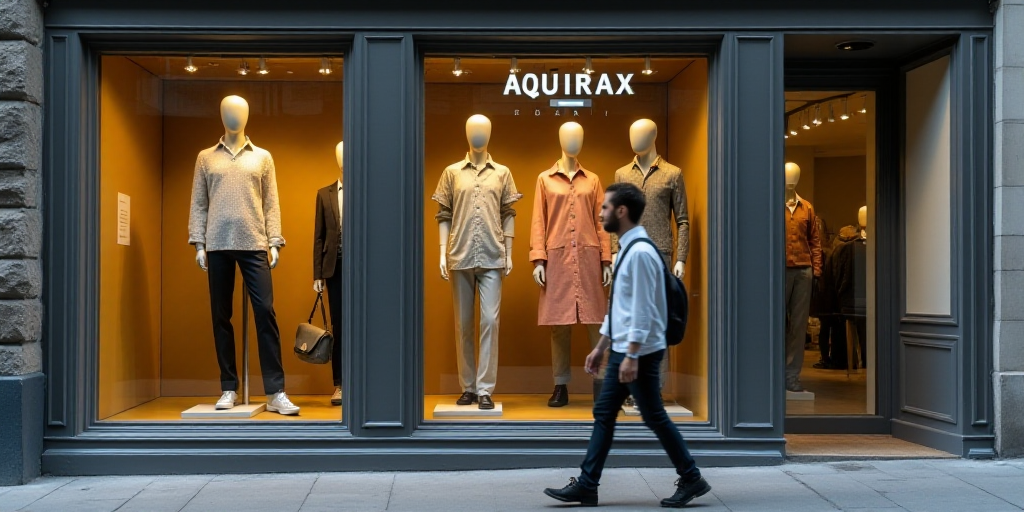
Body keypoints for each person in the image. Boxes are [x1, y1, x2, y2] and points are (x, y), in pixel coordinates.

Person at [543, 182, 711, 508]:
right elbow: (620, 306)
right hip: (627, 349)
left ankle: (691, 477)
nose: (601, 212)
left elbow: (644, 310)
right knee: (606, 413)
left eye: (605, 208)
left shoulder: (642, 253)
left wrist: (631, 355)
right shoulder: (627, 250)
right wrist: (602, 347)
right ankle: (588, 484)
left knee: (653, 416)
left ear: (621, 211)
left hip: (642, 352)